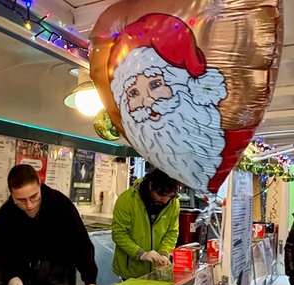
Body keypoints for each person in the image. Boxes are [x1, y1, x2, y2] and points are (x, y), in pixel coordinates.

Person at [108, 13, 254, 193]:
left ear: (182, 84)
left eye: (155, 84)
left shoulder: (229, 134)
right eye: (133, 93)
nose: (147, 101)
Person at [0, 165, 99, 285]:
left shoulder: (60, 204)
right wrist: (9, 278)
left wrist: (90, 281)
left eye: (34, 197)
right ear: (11, 193)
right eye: (21, 200)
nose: (29, 205)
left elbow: (81, 245)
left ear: (39, 184)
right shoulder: (5, 215)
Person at [111, 169, 180, 280]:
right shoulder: (127, 200)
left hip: (157, 272)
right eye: (161, 194)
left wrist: (164, 253)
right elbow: (119, 234)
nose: (165, 200)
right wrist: (142, 254)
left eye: (170, 196)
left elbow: (172, 232)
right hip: (130, 272)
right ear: (150, 185)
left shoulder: (173, 203)